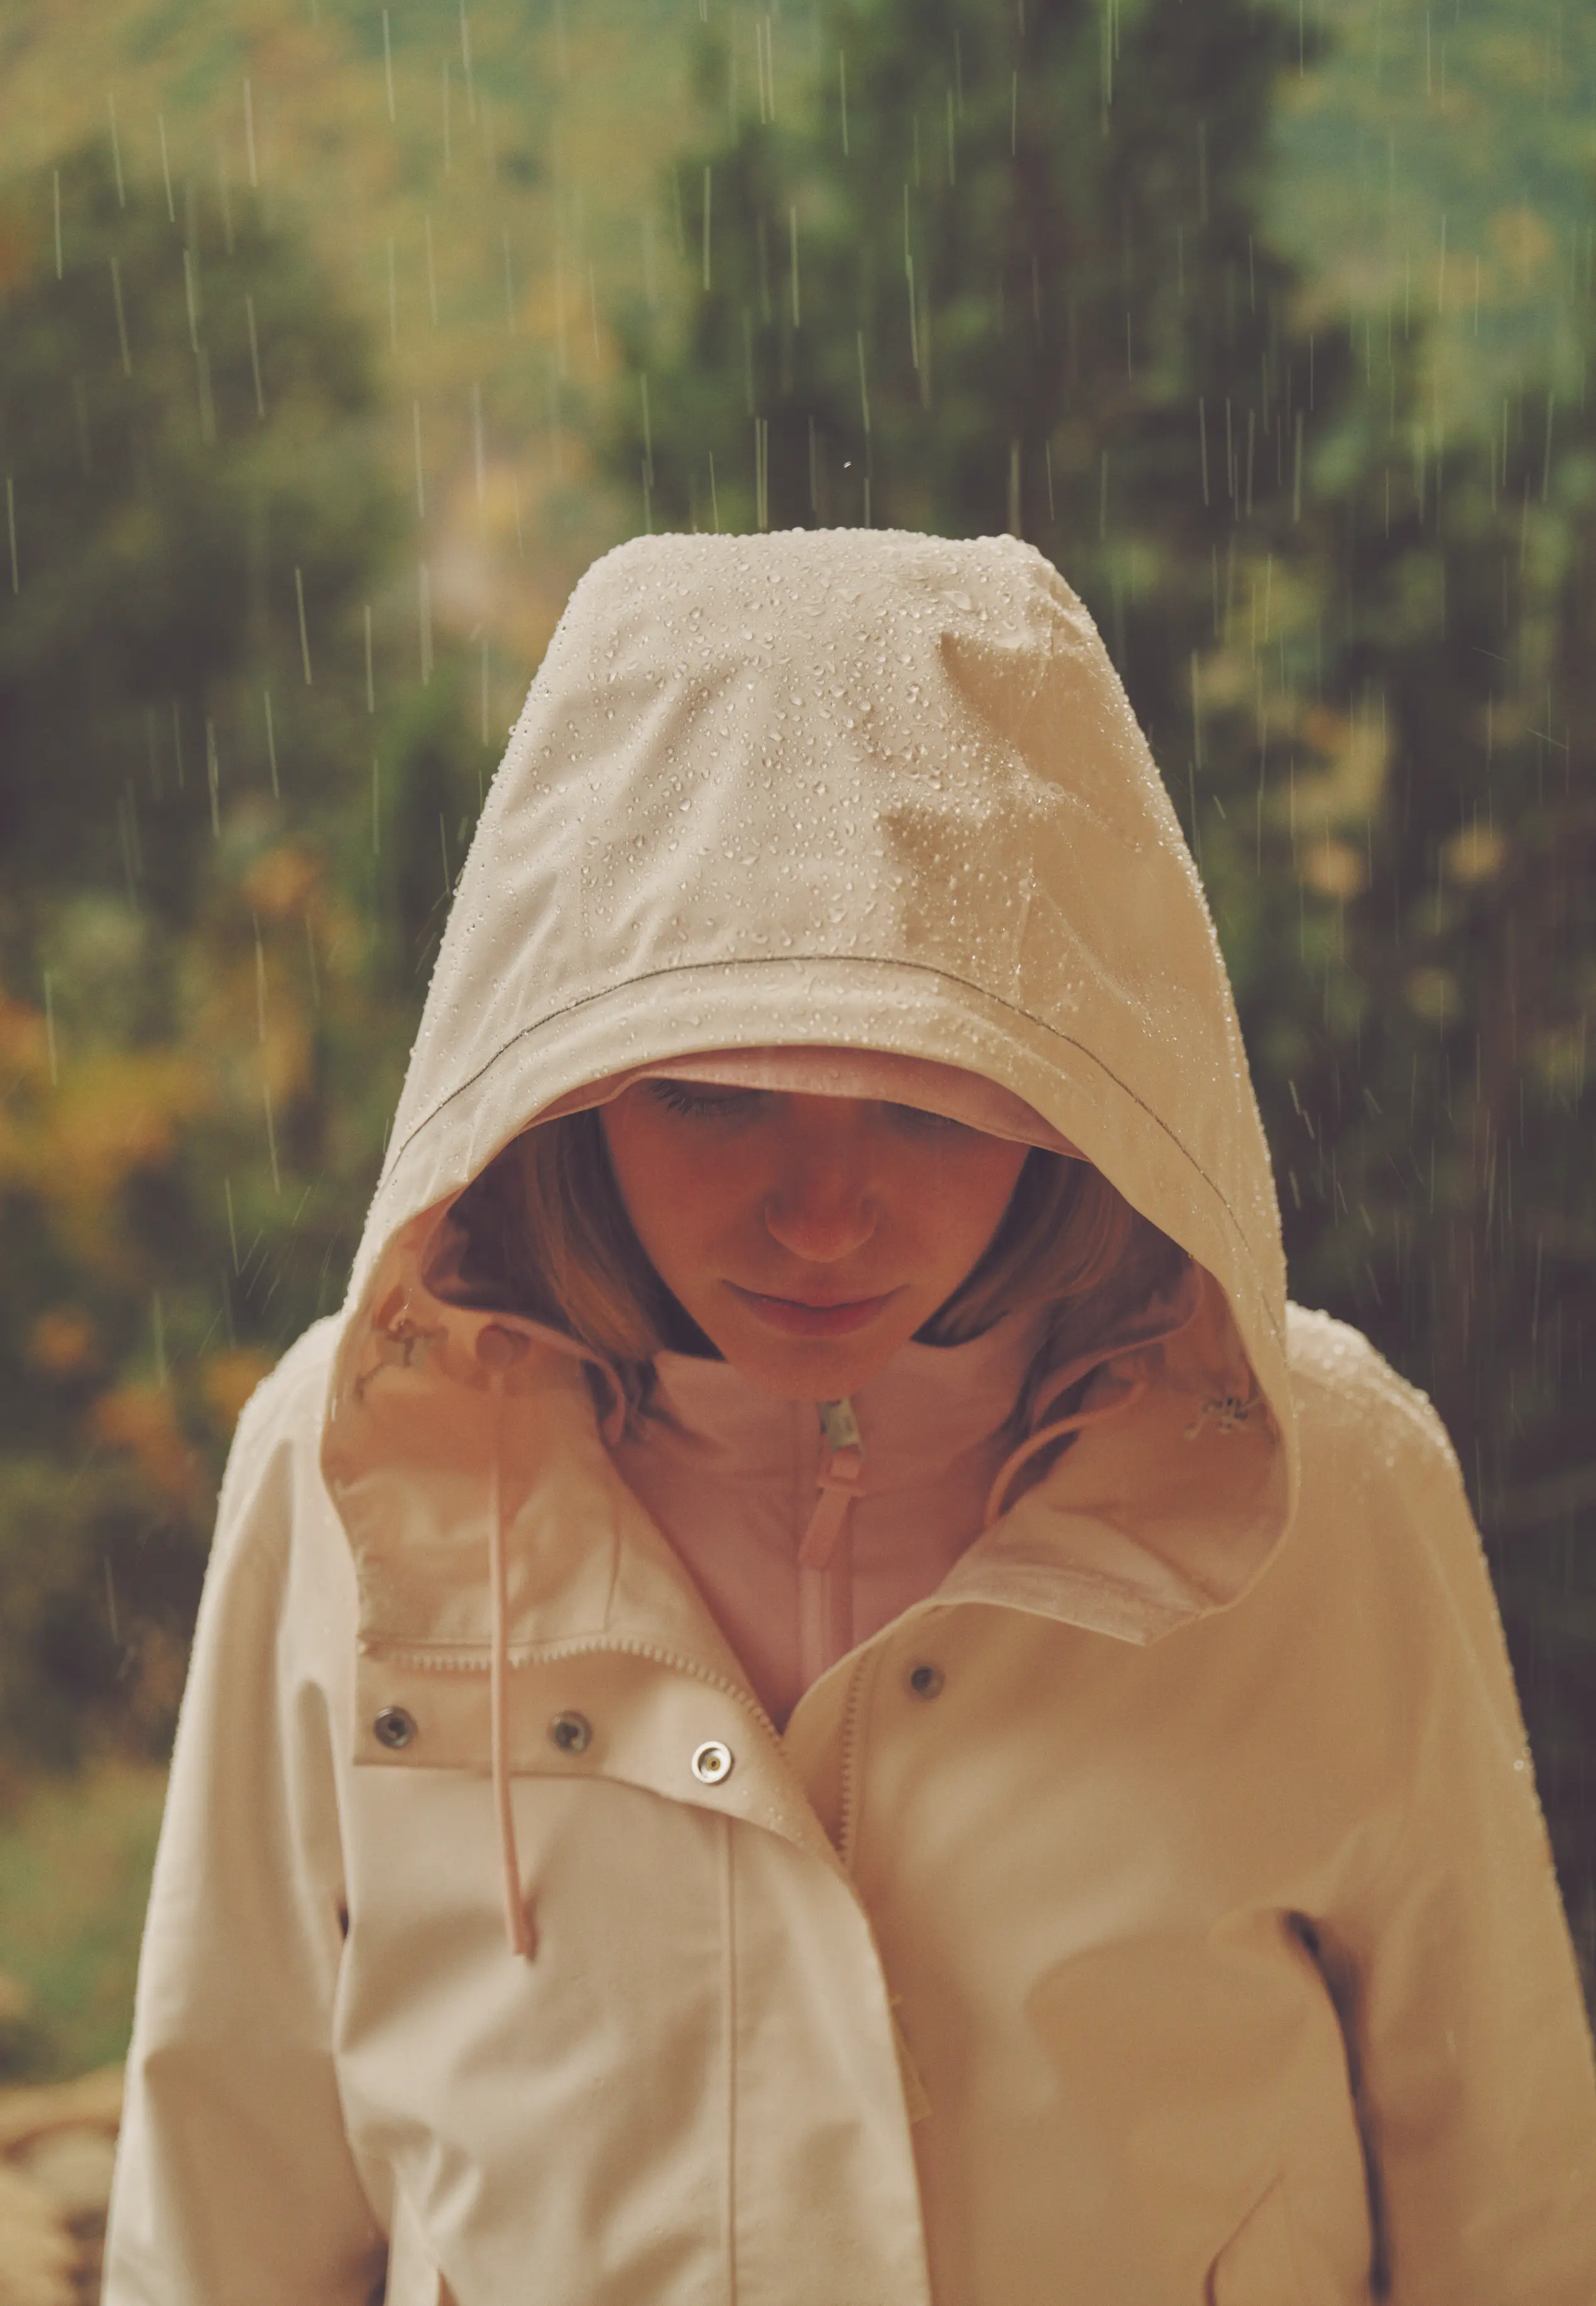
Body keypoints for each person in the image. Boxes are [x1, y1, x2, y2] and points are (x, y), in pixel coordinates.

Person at [103, 530, 1596, 2305]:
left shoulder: (1324, 1479)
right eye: (713, 1098)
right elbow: (224, 2200)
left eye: (927, 1107)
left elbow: (1508, 2197)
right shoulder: (351, 1475)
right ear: (563, 1085)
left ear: (1079, 1091)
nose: (821, 1218)